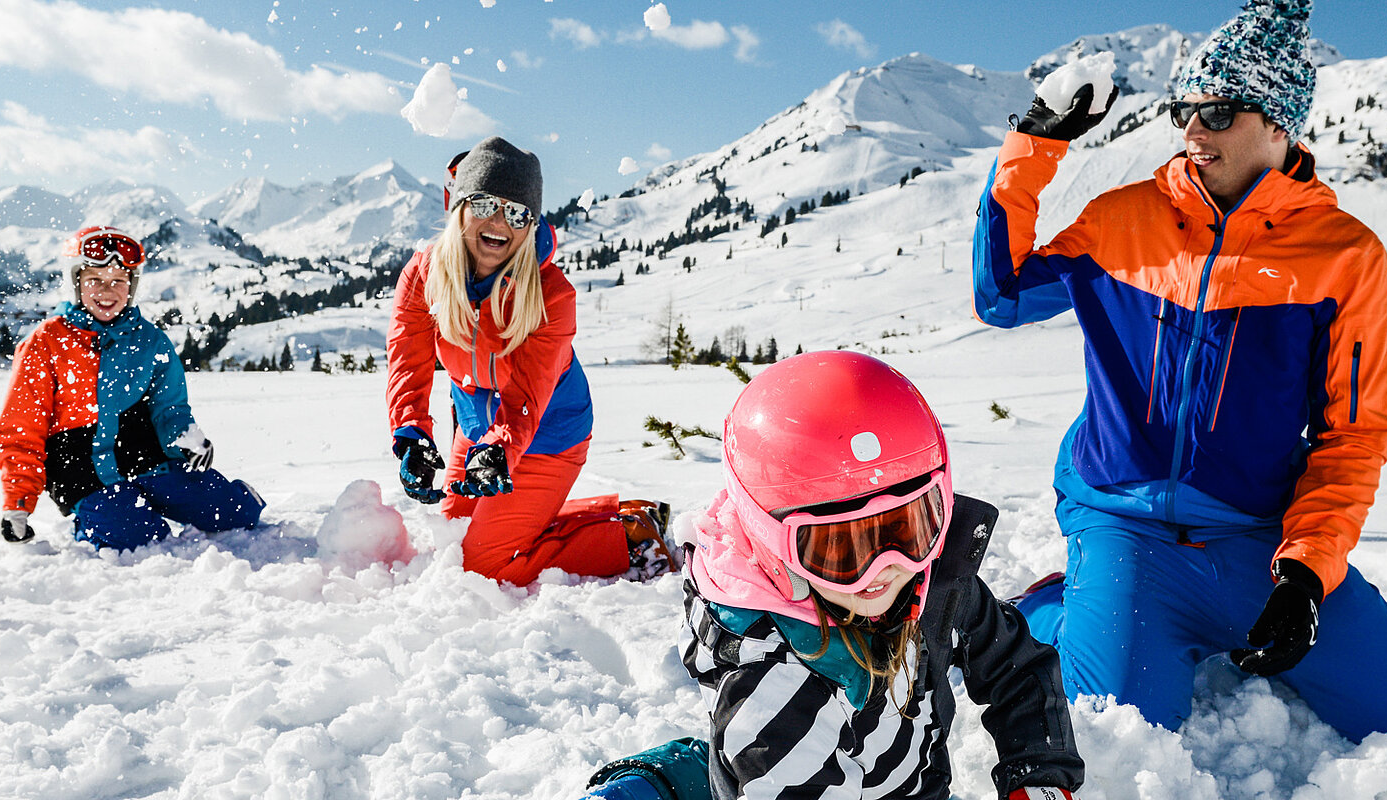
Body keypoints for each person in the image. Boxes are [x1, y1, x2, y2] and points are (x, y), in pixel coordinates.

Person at [971, 0, 1387, 746]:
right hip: (1124, 524)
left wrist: (1304, 574)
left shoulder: (1342, 254)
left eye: (1219, 112)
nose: (1192, 132)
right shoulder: (1120, 219)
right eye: (1184, 111)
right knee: (1117, 746)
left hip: (1258, 539)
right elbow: (1001, 296)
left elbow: (1353, 432)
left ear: (1278, 124)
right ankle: (1058, 605)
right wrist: (1035, 147)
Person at [680, 351, 1083, 800]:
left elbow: (1018, 669)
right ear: (771, 542)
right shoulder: (774, 695)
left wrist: (1041, 777)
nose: (883, 569)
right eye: (839, 548)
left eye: (905, 528)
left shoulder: (930, 581)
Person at [385, 136, 674, 585]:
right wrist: (411, 431)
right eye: (484, 204)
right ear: (460, 206)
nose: (500, 222)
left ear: (531, 223)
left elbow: (528, 395)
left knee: (483, 567)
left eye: (517, 212)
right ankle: (603, 514)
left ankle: (629, 538)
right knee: (451, 537)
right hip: (479, 426)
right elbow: (408, 358)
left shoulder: (552, 295)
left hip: (547, 430)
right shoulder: (424, 273)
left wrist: (500, 450)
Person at [0, 225, 264, 549]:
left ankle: (220, 498)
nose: (107, 291)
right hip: (80, 470)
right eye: (95, 280)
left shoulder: (149, 340)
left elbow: (169, 405)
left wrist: (185, 437)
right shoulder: (46, 343)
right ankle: (95, 518)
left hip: (142, 456)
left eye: (118, 281)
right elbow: (21, 430)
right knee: (139, 539)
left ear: (131, 286)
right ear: (76, 283)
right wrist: (18, 502)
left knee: (234, 514)